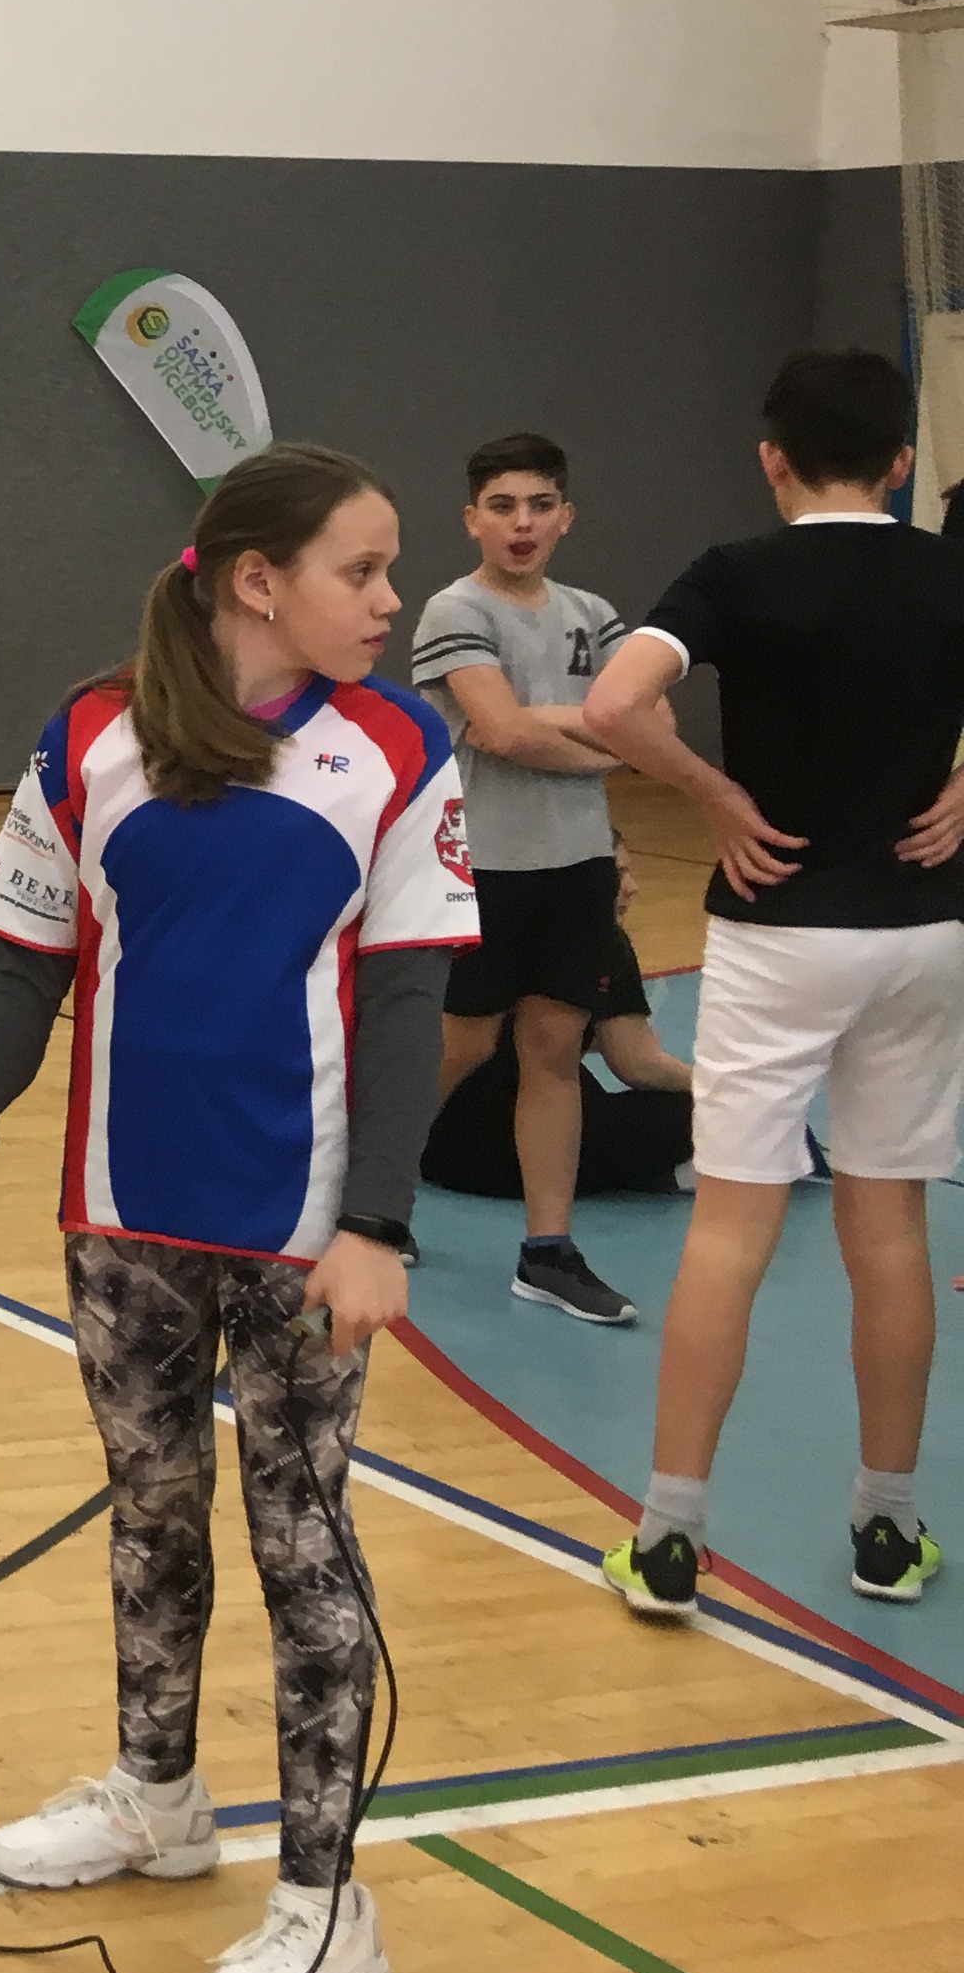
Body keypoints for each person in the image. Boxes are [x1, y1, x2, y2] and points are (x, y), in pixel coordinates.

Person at [0, 442, 462, 1973]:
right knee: (152, 1516)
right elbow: (25, 966)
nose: (392, 598)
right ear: (258, 582)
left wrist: (377, 1226)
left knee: (303, 1554)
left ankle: (326, 1907)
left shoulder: (399, 747)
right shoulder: (89, 735)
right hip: (122, 1221)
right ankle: (158, 1798)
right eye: (363, 569)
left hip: (304, 1242)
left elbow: (409, 1002)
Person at [580, 347, 964, 1616]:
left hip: (779, 930)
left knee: (733, 1226)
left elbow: (613, 705)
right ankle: (888, 1527)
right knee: (890, 1226)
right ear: (900, 462)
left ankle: (669, 1538)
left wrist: (713, 794)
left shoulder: (734, 573)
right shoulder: (948, 570)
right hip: (925, 929)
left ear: (772, 460)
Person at [408, 433, 637, 1326]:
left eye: (540, 505)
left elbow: (648, 721)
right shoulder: (453, 609)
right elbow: (498, 731)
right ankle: (366, 1195)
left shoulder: (594, 613)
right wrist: (600, 736)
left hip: (576, 868)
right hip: (483, 869)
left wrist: (569, 732)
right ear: (472, 519)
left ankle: (548, 1251)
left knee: (554, 1050)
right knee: (458, 1046)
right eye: (502, 506)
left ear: (565, 517)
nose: (522, 523)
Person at [423, 891, 696, 1204]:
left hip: (434, 1154)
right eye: (619, 874)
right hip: (530, 1160)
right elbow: (639, 1064)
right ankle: (669, 1170)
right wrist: (717, 1089)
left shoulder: (483, 929)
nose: (632, 887)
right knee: (696, 1112)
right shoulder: (601, 945)